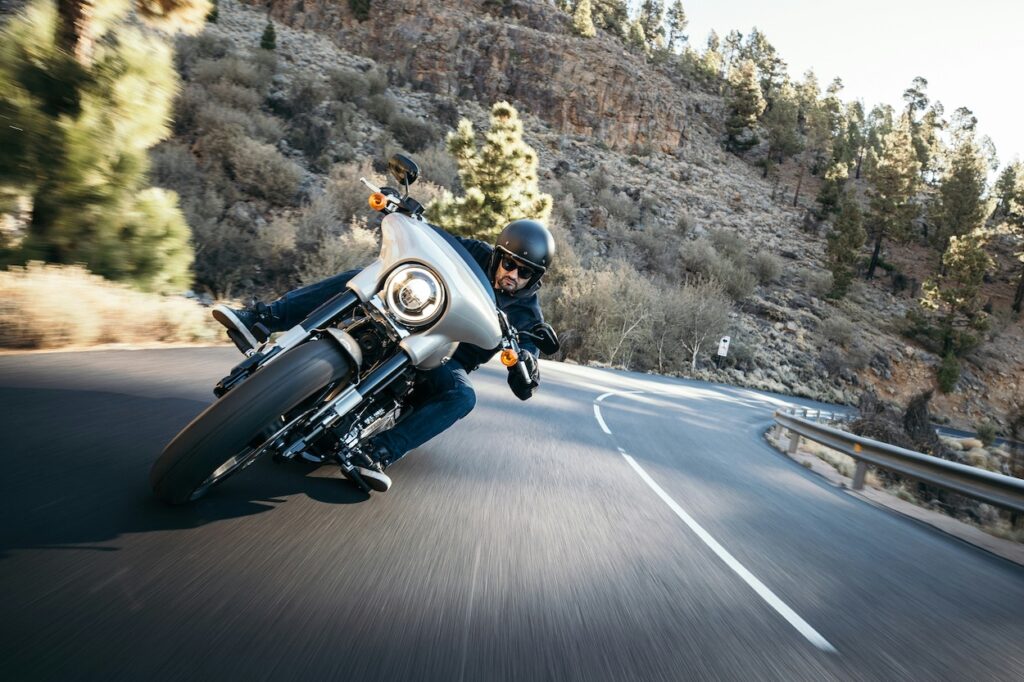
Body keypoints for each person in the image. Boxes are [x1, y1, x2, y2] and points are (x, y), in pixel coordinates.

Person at [212, 219, 554, 491]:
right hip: (407, 318)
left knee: (462, 397)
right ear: (498, 254)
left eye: (524, 272)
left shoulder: (527, 313)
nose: (512, 275)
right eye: (509, 262)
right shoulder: (474, 253)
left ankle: (378, 453)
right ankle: (261, 319)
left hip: (443, 361)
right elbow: (431, 240)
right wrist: (408, 215)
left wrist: (526, 365)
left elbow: (528, 362)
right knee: (364, 277)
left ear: (534, 278)